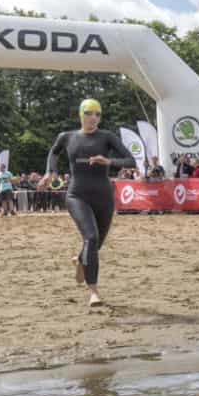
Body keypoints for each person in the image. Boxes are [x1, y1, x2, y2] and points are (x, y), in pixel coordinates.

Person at [46, 98, 135, 308]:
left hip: (104, 197)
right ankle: (93, 291)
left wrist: (109, 162)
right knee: (91, 237)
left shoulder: (107, 137)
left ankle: (80, 260)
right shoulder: (67, 137)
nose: (93, 118)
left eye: (97, 114)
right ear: (80, 115)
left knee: (95, 245)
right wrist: (51, 171)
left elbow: (131, 160)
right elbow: (53, 152)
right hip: (77, 195)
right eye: (89, 113)